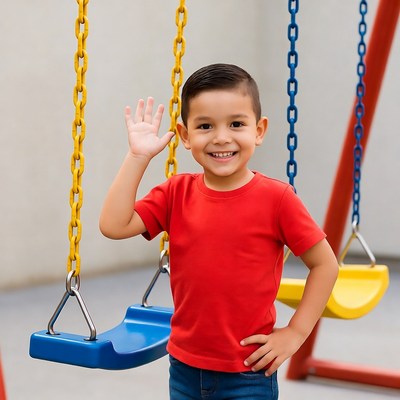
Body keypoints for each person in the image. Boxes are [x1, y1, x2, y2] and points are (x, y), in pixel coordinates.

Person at [99, 63, 338, 400]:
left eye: (236, 124)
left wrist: (296, 332)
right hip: (183, 367)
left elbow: (325, 264)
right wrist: (138, 157)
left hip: (248, 373)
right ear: (185, 136)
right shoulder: (175, 193)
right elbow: (113, 225)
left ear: (259, 130)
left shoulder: (278, 199)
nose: (221, 137)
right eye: (205, 126)